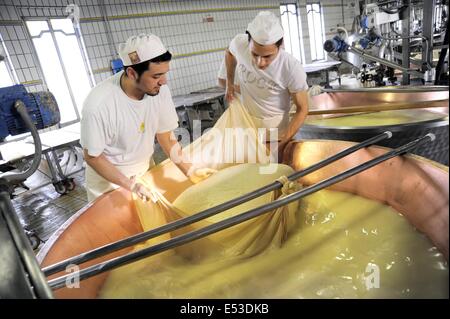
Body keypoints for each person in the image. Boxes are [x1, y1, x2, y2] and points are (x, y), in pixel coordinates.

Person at [80, 33, 214, 202]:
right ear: (132, 73)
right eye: (156, 76)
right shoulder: (99, 104)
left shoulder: (159, 90)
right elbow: (93, 156)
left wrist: (189, 170)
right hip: (110, 184)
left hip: (144, 173)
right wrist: (131, 185)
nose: (163, 81)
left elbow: (166, 137)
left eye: (164, 74)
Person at [224, 11, 309, 158]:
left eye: (267, 56)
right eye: (255, 54)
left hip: (276, 131)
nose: (260, 62)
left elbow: (302, 109)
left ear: (280, 45)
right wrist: (229, 83)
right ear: (248, 42)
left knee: (274, 172)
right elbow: (229, 53)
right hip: (247, 125)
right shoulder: (240, 43)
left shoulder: (290, 67)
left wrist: (282, 143)